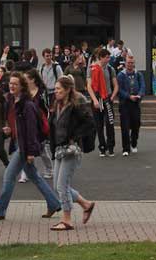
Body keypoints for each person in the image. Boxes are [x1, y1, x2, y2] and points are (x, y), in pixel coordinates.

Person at [0, 72, 62, 221]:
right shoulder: (13, 102)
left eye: (15, 84)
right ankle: (53, 203)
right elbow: (17, 126)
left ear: (22, 87)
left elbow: (31, 130)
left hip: (25, 147)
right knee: (34, 176)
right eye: (10, 83)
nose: (11, 86)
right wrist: (10, 130)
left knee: (8, 175)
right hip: (19, 143)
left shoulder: (28, 105)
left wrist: (31, 152)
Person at [48, 75, 98, 231]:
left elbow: (90, 123)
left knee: (62, 186)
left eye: (58, 89)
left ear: (68, 89)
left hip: (71, 150)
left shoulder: (77, 103)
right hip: (59, 148)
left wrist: (74, 137)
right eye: (55, 89)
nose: (55, 92)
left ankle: (67, 219)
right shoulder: (57, 104)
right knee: (58, 186)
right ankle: (86, 204)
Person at [23, 69, 54, 179]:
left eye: (26, 79)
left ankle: (49, 168)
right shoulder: (24, 92)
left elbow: (46, 108)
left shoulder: (41, 92)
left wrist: (46, 122)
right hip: (27, 123)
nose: (24, 81)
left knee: (41, 149)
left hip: (39, 123)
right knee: (25, 147)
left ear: (32, 80)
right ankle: (26, 172)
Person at [87, 49, 116, 157]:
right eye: (107, 57)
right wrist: (94, 100)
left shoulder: (110, 69)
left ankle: (111, 146)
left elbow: (115, 84)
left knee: (110, 122)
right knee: (98, 124)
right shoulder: (92, 69)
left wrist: (112, 96)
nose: (109, 59)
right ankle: (102, 147)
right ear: (101, 57)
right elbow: (89, 86)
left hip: (107, 97)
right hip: (97, 97)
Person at [116, 55, 144, 156]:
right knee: (125, 126)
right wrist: (128, 96)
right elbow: (119, 89)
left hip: (136, 103)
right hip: (125, 104)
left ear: (134, 63)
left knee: (136, 124)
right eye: (128, 63)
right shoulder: (121, 75)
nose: (130, 64)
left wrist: (139, 95)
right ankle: (126, 149)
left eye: (132, 63)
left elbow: (142, 86)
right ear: (125, 63)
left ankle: (134, 143)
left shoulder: (138, 74)